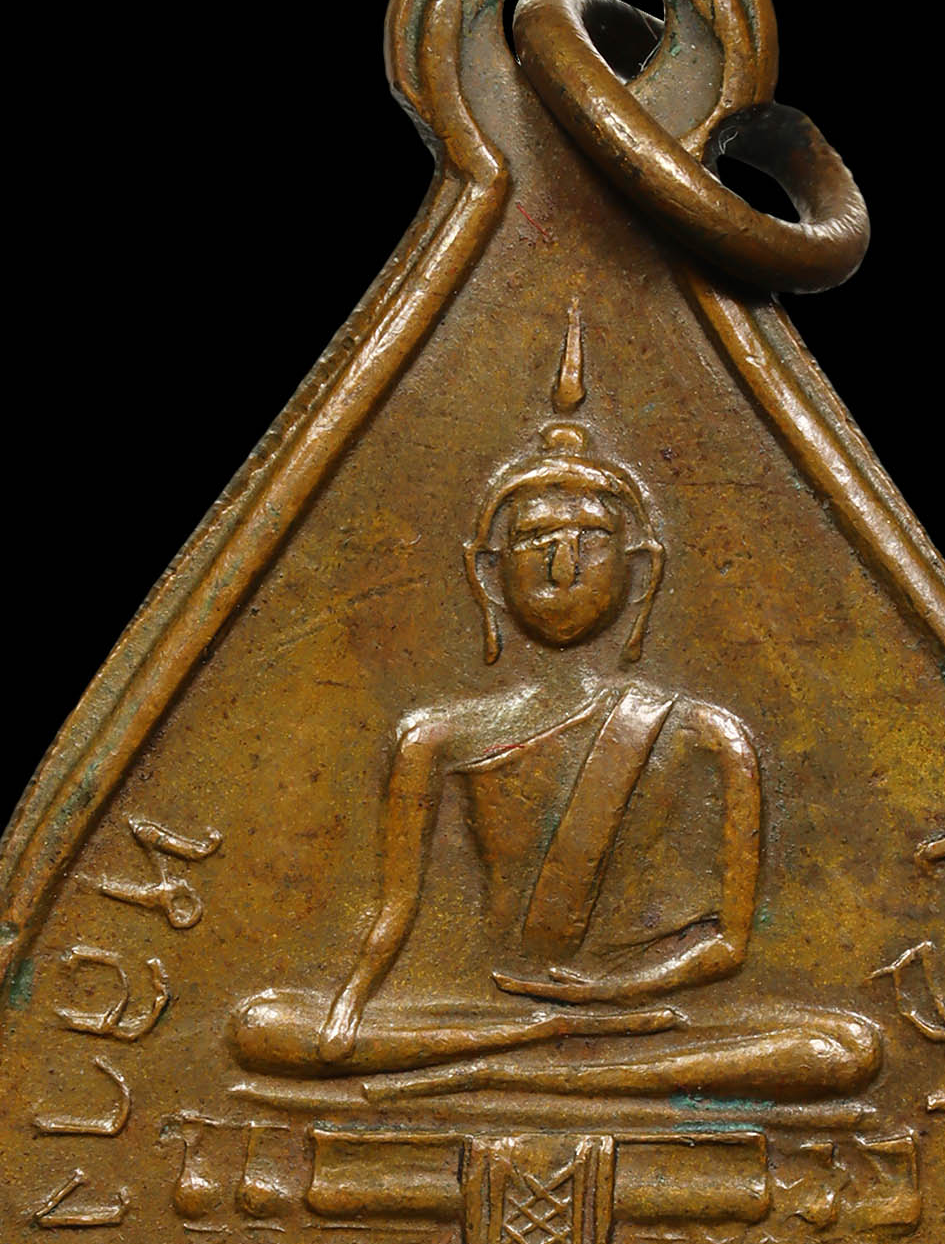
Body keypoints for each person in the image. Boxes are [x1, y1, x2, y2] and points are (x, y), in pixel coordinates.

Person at [233, 316, 879, 1105]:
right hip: (496, 1011)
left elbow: (729, 946)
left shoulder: (708, 736)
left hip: (641, 1014)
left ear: (641, 569)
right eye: (536, 540)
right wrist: (349, 1004)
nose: (563, 563)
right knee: (264, 1027)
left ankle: (511, 1066)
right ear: (488, 573)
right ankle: (530, 1050)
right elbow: (394, 910)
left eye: (591, 539)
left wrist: (615, 992)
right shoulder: (435, 737)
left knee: (844, 1049)